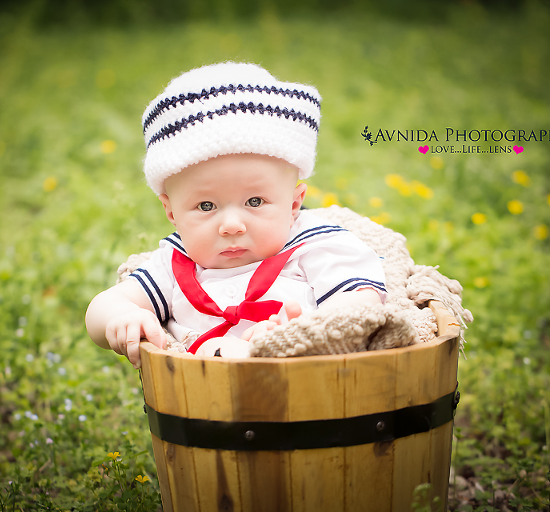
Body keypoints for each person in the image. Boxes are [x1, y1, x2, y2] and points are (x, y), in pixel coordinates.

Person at [85, 62, 386, 368]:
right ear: (171, 212)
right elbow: (102, 306)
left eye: (255, 201)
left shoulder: (312, 243)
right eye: (206, 206)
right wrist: (124, 316)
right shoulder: (176, 263)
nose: (231, 226)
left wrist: (302, 329)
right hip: (201, 400)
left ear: (294, 204)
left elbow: (363, 299)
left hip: (306, 383)